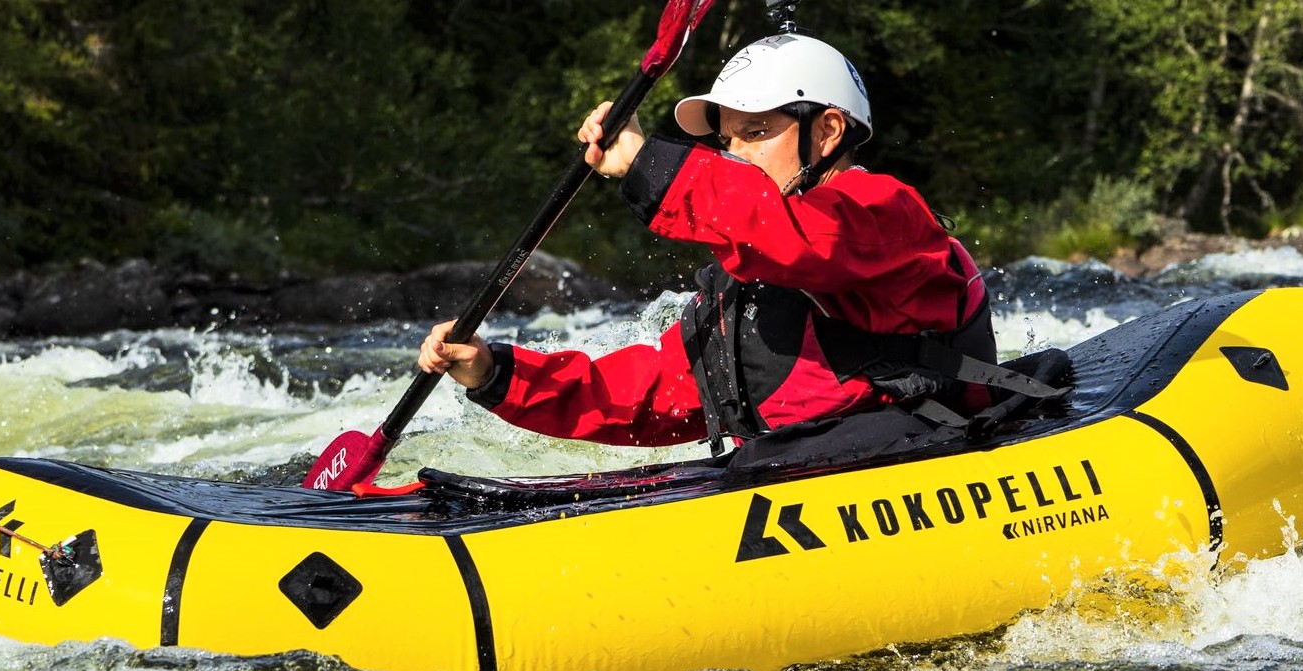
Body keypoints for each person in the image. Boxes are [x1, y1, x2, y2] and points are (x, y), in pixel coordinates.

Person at [417, 33, 1002, 465]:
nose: (736, 155)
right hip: (802, 472)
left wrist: (647, 164)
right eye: (728, 140)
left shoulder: (881, 210)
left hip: (922, 459)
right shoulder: (749, 276)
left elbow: (798, 243)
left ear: (827, 132)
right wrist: (496, 372)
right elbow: (657, 395)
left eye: (756, 134)